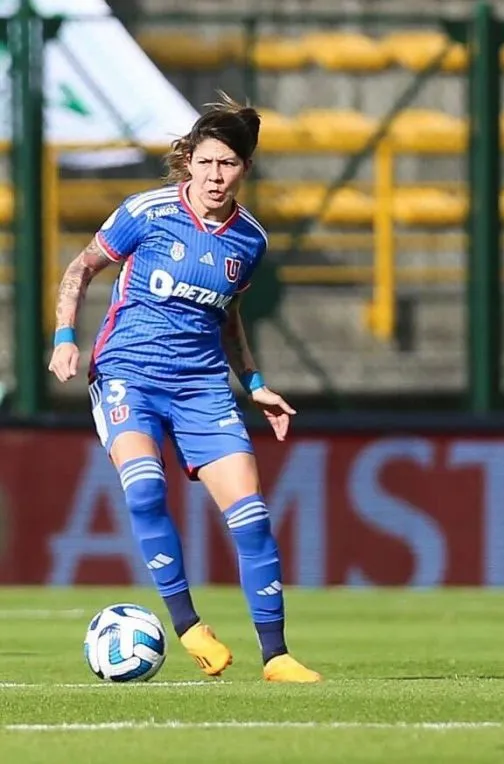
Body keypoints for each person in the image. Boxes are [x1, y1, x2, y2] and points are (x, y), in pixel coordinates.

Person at [48, 94, 320, 683]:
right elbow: (80, 268)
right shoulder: (146, 212)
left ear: (244, 169)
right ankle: (189, 626)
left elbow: (227, 317)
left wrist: (254, 383)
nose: (215, 175)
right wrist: (66, 336)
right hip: (128, 374)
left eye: (227, 164)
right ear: (188, 162)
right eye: (205, 162)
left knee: (250, 516)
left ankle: (276, 657)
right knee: (145, 488)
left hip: (201, 386)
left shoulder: (250, 241)